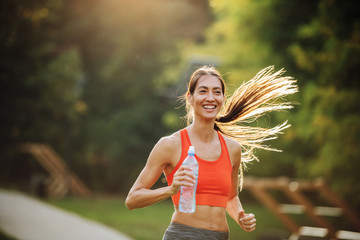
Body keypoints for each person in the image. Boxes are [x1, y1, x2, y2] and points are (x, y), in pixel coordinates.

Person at [125, 65, 298, 239]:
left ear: (223, 98)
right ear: (190, 98)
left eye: (216, 92)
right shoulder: (170, 145)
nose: (210, 98)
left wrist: (240, 216)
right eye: (203, 91)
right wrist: (170, 190)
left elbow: (230, 198)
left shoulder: (232, 149)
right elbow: (132, 200)